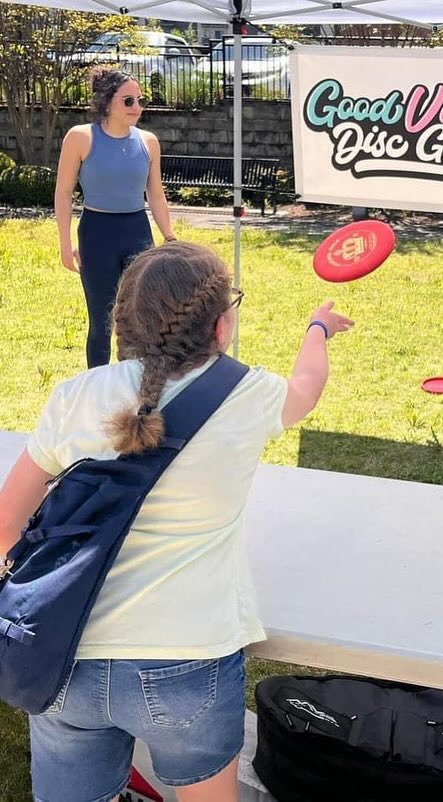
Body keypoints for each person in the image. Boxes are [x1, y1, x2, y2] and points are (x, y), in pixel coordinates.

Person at [0, 241, 353, 802]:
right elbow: (305, 391)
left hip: (65, 654)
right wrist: (318, 328)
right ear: (220, 327)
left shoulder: (74, 396)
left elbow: (6, 525)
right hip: (188, 661)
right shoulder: (250, 393)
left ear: (121, 325)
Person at [55, 68, 177, 369]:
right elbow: (63, 192)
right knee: (101, 320)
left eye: (139, 100)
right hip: (97, 233)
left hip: (137, 231)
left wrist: (170, 237)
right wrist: (64, 243)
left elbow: (157, 195)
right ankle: (97, 388)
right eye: (128, 101)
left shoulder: (148, 141)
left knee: (142, 317)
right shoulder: (80, 137)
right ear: (107, 102)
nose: (137, 107)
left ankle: (137, 384)